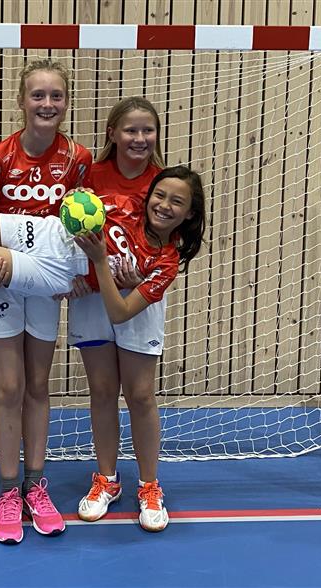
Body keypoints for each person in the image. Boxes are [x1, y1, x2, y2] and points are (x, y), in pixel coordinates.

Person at [0, 59, 91, 544]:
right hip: (3, 276)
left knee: (38, 384)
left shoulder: (78, 158)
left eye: (56, 95)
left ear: (67, 102)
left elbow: (83, 224)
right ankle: (7, 490)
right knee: (9, 386)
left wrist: (76, 273)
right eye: (37, 95)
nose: (47, 104)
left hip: (46, 282)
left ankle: (36, 485)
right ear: (21, 101)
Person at [67, 165, 206, 533]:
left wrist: (100, 262)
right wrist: (71, 275)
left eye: (177, 202)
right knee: (101, 391)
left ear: (189, 214)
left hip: (133, 309)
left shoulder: (167, 262)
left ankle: (149, 486)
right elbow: (71, 220)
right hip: (90, 303)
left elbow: (121, 311)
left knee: (140, 395)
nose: (164, 205)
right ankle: (106, 480)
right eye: (159, 195)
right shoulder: (117, 206)